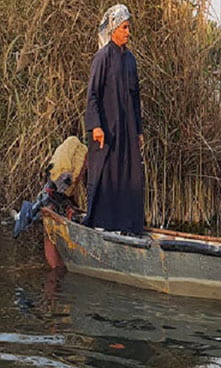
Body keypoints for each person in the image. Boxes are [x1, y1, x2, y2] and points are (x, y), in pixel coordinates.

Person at [84, 4, 146, 236]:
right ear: (113, 29)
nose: (128, 32)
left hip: (127, 130)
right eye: (124, 27)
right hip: (106, 130)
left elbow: (135, 97)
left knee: (128, 176)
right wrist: (96, 126)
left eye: (129, 27)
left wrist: (138, 131)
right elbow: (92, 94)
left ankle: (126, 227)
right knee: (105, 175)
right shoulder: (102, 58)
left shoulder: (130, 60)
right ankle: (100, 224)